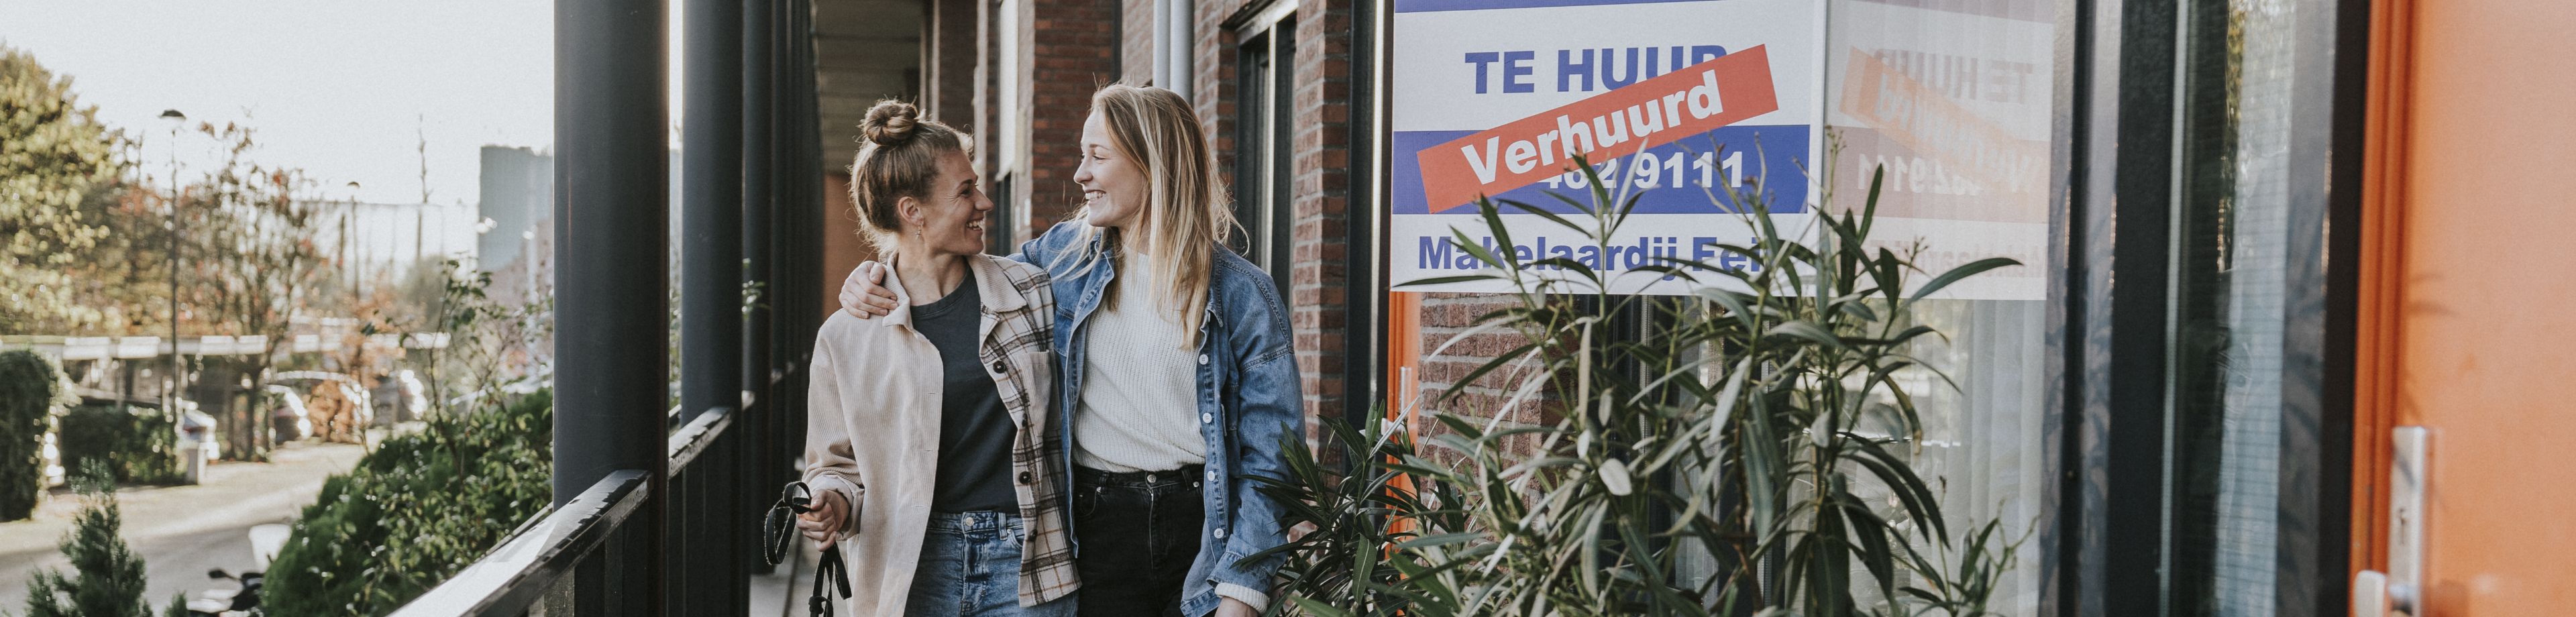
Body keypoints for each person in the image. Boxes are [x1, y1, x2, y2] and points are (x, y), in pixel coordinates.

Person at [837, 84, 1301, 617]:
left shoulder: (1243, 294)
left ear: (1154, 164)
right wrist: (878, 274)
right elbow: (951, 274)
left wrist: (1243, 588)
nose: (1080, 174)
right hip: (1092, 530)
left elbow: (1275, 460)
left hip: (1204, 534)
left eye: (1097, 157)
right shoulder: (1061, 260)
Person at [796, 99, 1079, 617]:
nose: (986, 202)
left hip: (1030, 567)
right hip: (911, 567)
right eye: (966, 191)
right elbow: (834, 466)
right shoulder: (847, 335)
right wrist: (830, 504)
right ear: (913, 212)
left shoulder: (1033, 294)